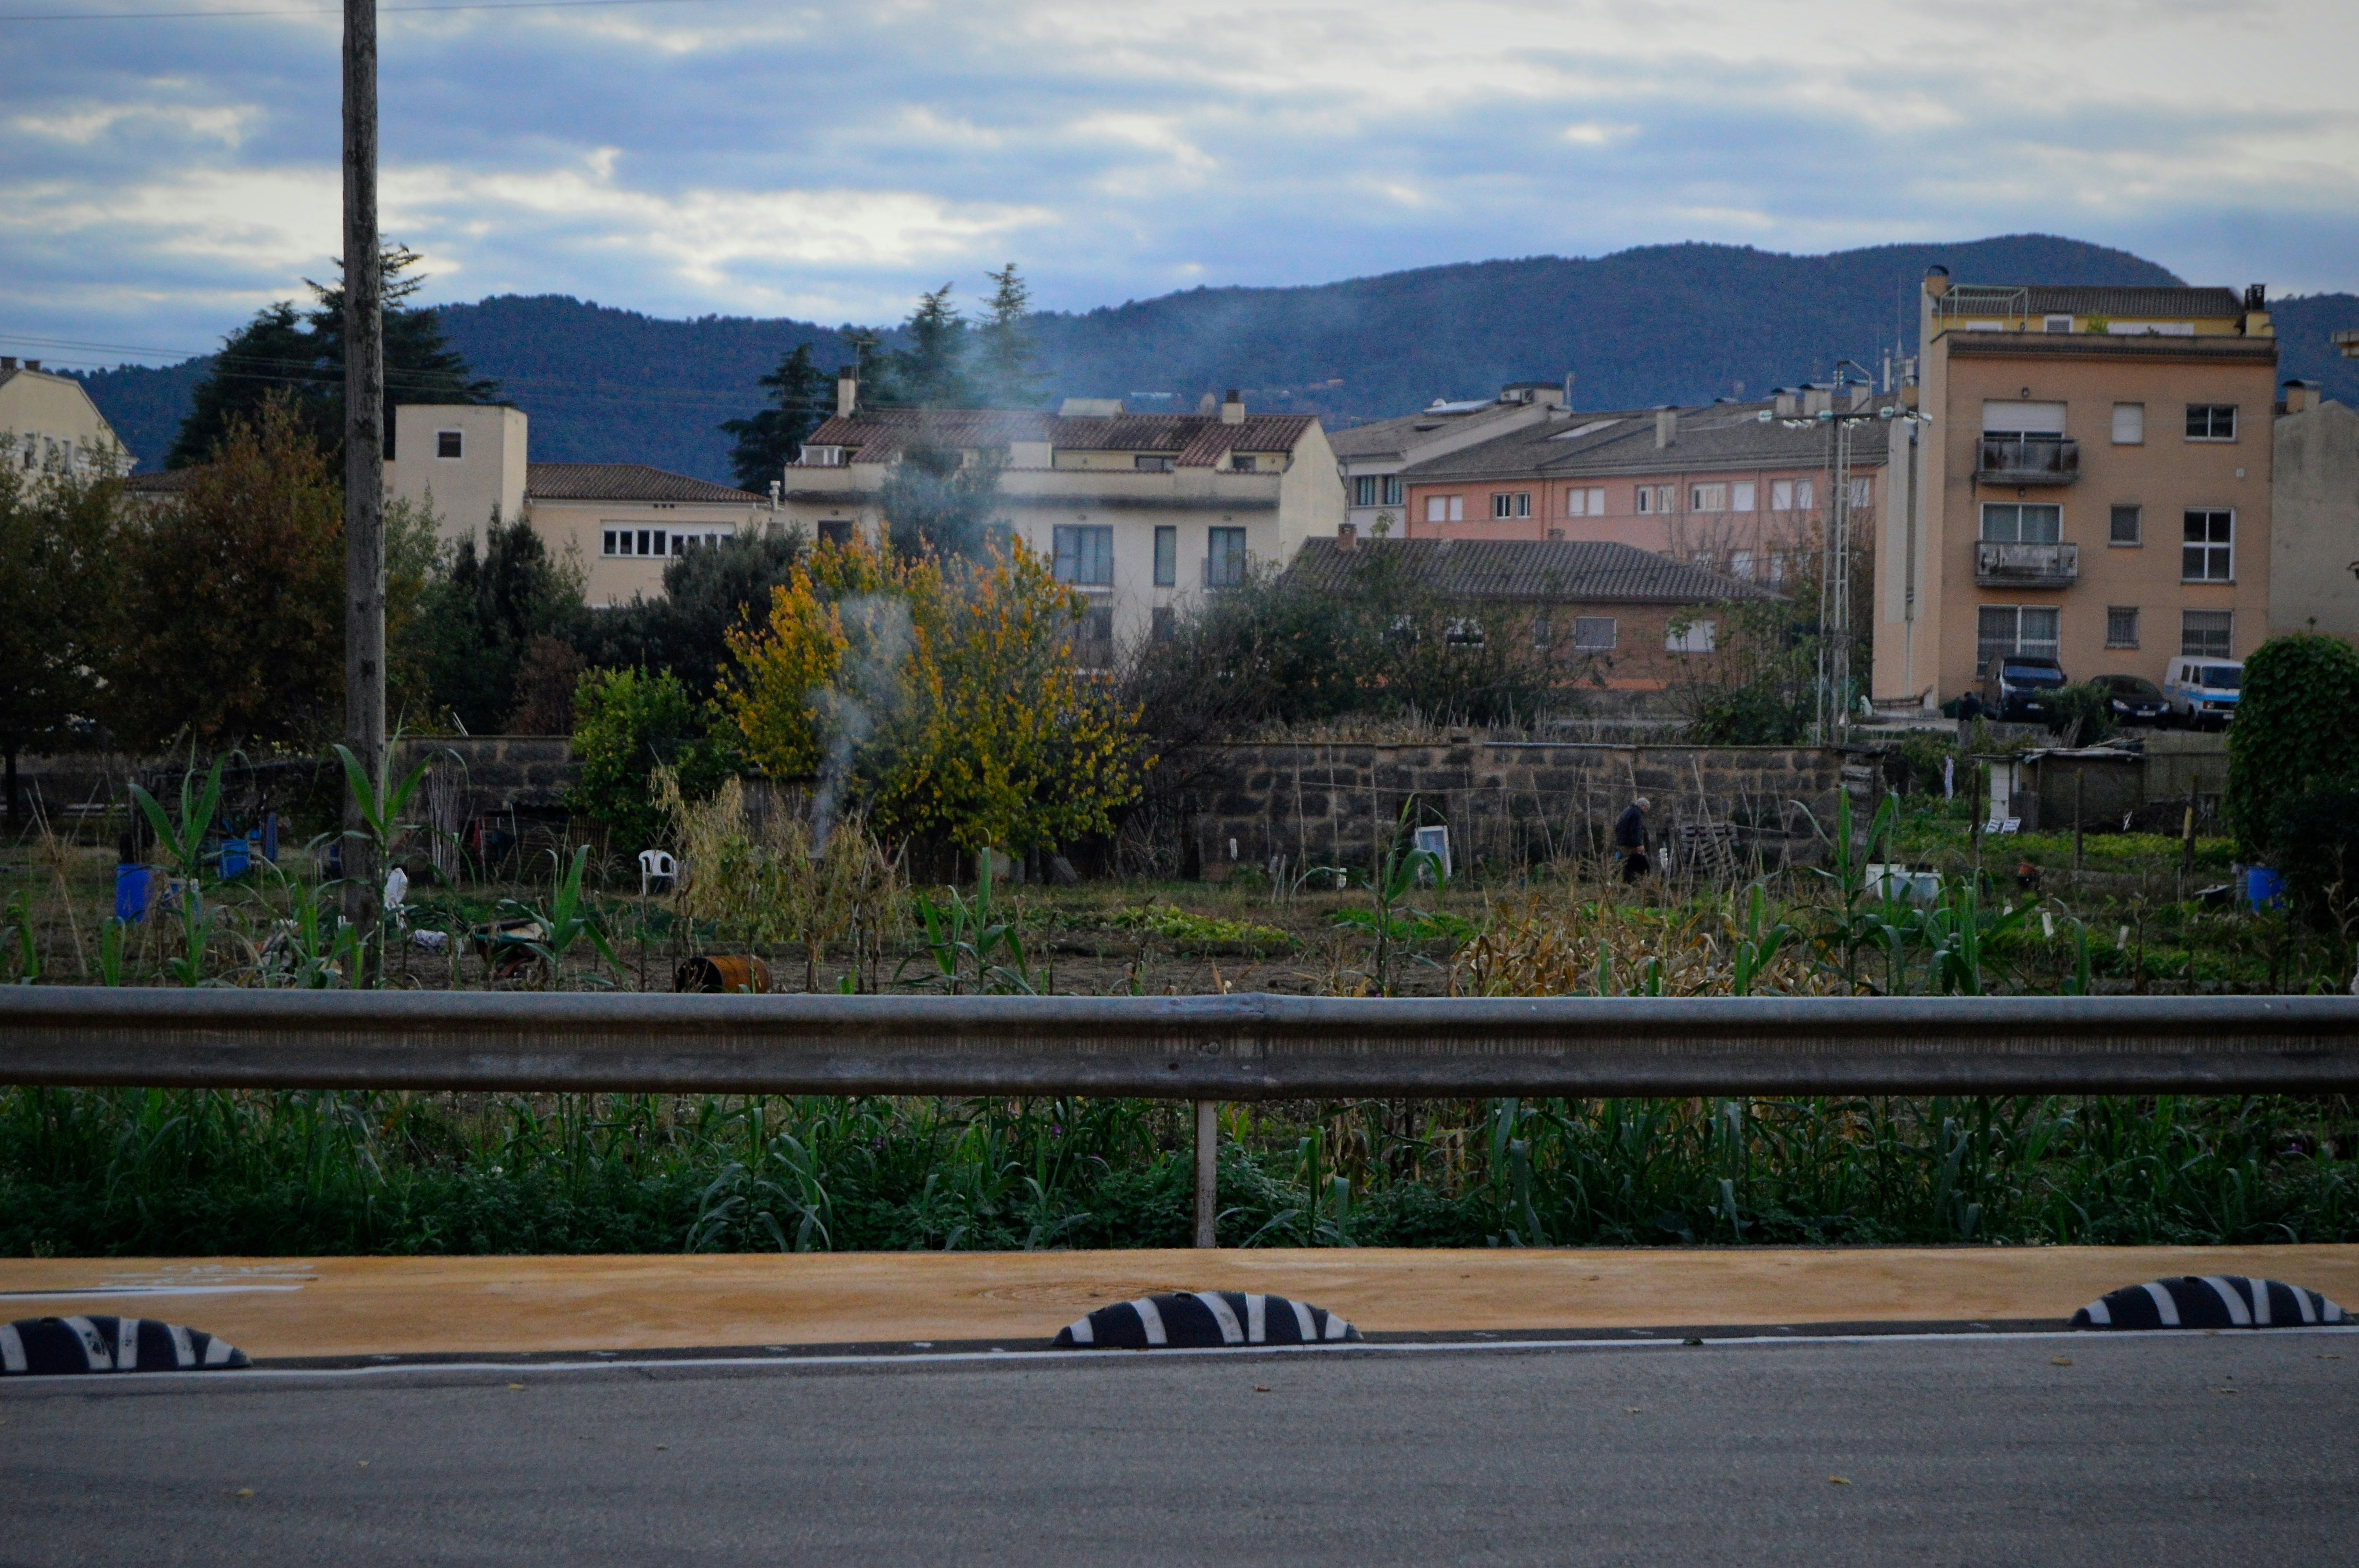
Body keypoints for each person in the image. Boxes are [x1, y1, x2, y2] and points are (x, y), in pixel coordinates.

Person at [1614, 796, 1652, 884]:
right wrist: (1638, 844)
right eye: (1647, 809)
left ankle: (1624, 883)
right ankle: (1631, 885)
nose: (1646, 812)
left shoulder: (1627, 811)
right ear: (1643, 806)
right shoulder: (1637, 814)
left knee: (1624, 863)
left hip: (1621, 842)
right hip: (1629, 845)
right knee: (1632, 865)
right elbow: (1635, 831)